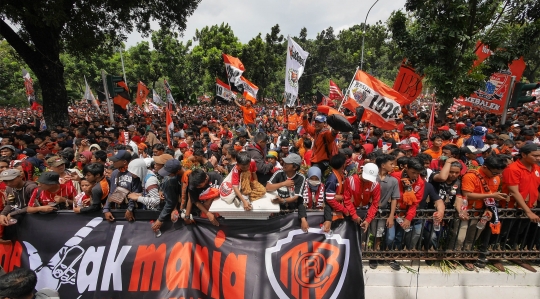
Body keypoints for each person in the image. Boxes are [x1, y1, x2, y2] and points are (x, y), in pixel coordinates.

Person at [459, 155, 507, 270]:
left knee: (472, 238)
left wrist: (488, 209)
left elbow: (491, 198)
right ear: (485, 167)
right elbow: (467, 194)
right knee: (459, 237)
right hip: (466, 211)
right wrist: (491, 195)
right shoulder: (471, 176)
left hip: (481, 213)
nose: (497, 175)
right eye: (494, 172)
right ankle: (453, 256)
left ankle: (465, 257)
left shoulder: (496, 178)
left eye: (499, 173)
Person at [386, 158, 425, 271]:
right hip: (391, 212)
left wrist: (408, 218)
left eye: (418, 173)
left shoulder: (420, 182)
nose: (415, 175)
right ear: (406, 168)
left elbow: (415, 203)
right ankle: (384, 253)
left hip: (404, 214)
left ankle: (392, 258)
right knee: (390, 236)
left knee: (398, 237)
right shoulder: (395, 176)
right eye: (413, 172)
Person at [266, 153, 311, 232]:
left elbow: (296, 197)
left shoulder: (301, 178)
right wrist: (283, 183)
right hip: (277, 211)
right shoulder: (279, 173)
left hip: (292, 212)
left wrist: (283, 200)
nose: (284, 164)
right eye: (284, 162)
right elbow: (267, 187)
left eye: (287, 163)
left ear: (295, 167)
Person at [102, 150, 142, 222]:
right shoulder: (115, 173)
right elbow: (112, 192)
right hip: (119, 207)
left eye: (116, 160)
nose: (113, 162)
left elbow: (136, 192)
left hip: (135, 210)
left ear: (124, 162)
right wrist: (106, 209)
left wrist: (130, 209)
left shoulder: (134, 172)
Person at [153, 159, 182, 232]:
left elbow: (171, 202)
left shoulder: (170, 180)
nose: (167, 175)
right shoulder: (168, 180)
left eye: (169, 173)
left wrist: (160, 219)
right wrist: (161, 190)